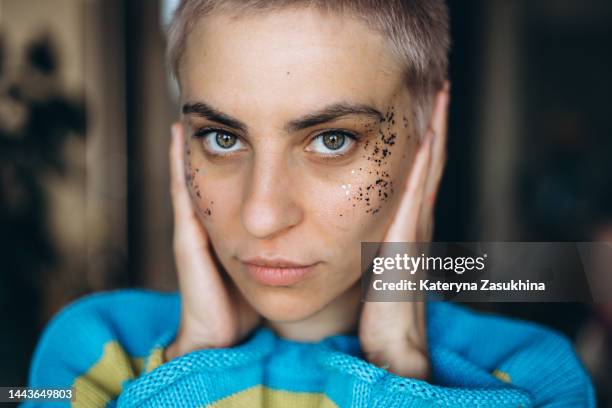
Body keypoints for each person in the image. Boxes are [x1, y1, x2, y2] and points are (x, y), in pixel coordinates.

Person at [27, 1, 594, 406]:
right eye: (223, 138)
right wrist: (193, 359)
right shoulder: (90, 352)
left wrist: (400, 371)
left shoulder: (529, 377)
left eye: (332, 139)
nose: (262, 215)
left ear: (427, 138)